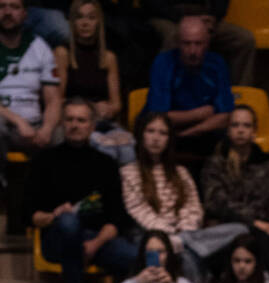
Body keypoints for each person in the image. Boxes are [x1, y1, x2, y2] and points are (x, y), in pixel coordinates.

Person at [25, 96, 136, 283]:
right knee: (68, 221)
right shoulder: (44, 161)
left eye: (81, 120)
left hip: (95, 240)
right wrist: (53, 215)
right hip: (57, 238)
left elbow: (117, 217)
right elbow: (30, 215)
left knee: (137, 258)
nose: (75, 125)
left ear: (92, 126)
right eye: (70, 119)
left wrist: (95, 244)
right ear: (62, 123)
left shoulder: (106, 164)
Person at [121, 111, 245, 283]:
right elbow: (139, 210)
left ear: (169, 139)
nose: (156, 138)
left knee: (240, 230)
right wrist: (169, 237)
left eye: (163, 133)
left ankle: (186, 246)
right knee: (188, 257)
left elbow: (193, 207)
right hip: (150, 237)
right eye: (151, 131)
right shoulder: (127, 173)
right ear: (141, 135)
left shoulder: (181, 172)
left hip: (186, 235)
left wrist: (183, 234)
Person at [201, 104, 269, 282]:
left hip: (261, 229)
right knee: (257, 237)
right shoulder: (215, 163)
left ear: (254, 131)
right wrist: (252, 222)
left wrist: (258, 222)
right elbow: (216, 203)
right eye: (235, 125)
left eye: (246, 126)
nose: (240, 130)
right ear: (228, 130)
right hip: (225, 229)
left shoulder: (265, 164)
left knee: (265, 236)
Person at [54, 0, 134, 165]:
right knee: (105, 149)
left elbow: (117, 104)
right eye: (80, 17)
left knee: (128, 149)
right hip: (75, 121)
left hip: (103, 121)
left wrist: (109, 109)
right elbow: (57, 100)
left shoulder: (108, 57)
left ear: (99, 22)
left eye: (91, 17)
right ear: (72, 21)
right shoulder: (63, 53)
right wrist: (90, 109)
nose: (85, 23)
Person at [145, 15, 234, 160]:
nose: (192, 51)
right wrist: (199, 114)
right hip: (168, 133)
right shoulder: (163, 62)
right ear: (178, 43)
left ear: (207, 43)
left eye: (198, 44)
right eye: (187, 44)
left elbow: (225, 116)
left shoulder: (217, 63)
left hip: (202, 133)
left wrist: (189, 132)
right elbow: (158, 116)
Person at [0, 0, 61, 185]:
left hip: (34, 126)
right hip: (5, 124)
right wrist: (18, 121)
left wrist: (47, 129)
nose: (7, 12)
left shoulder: (39, 47)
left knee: (65, 134)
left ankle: (59, 195)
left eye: (14, 7)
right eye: (2, 6)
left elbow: (53, 99)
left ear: (25, 14)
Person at [147, 1, 255, 86]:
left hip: (204, 16)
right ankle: (164, 92)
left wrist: (213, 17)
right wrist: (183, 19)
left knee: (244, 39)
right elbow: (151, 4)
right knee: (176, 37)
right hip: (168, 17)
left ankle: (240, 94)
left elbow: (220, 3)